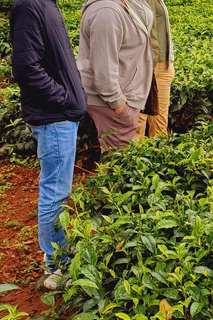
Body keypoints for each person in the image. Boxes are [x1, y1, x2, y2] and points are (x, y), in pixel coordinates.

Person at [10, 0, 87, 289]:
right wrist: (66, 98)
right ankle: (56, 266)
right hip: (54, 117)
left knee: (59, 190)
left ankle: (59, 257)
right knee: (55, 193)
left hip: (60, 116)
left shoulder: (45, 4)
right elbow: (26, 68)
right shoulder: (31, 5)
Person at [78, 0, 154, 153]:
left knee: (115, 162)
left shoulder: (122, 4)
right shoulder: (107, 11)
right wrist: (118, 105)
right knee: (116, 167)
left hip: (122, 97)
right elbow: (103, 68)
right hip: (113, 102)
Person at [134, 0, 175, 139]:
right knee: (136, 126)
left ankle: (158, 158)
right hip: (141, 66)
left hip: (163, 65)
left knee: (160, 127)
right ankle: (131, 160)